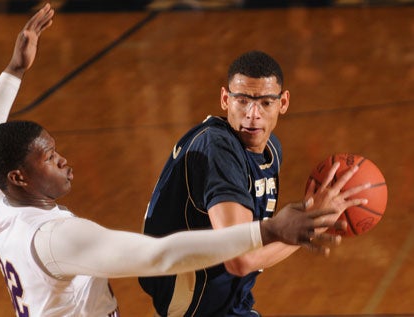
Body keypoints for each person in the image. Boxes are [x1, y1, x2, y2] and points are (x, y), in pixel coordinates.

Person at [0, 4, 353, 317]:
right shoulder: (59, 238)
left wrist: (14, 70)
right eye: (50, 157)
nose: (64, 161)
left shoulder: (2, 215)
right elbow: (160, 254)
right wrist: (270, 231)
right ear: (19, 178)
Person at [138, 50, 371, 316]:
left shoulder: (270, 150)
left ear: (283, 103)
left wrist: (306, 220)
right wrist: (310, 223)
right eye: (243, 101)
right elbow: (241, 260)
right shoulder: (216, 149)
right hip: (195, 306)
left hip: (230, 302)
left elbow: (251, 247)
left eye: (265, 103)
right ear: (225, 100)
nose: (253, 114)